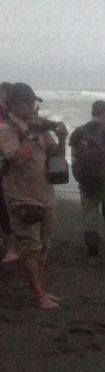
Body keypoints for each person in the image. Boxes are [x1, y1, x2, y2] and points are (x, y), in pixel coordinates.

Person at [0, 83, 68, 309]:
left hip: (45, 194)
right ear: (14, 104)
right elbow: (17, 159)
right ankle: (39, 296)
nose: (33, 107)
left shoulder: (37, 127)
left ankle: (41, 289)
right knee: (30, 246)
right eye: (29, 102)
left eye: (34, 102)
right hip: (21, 195)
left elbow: (56, 156)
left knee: (44, 246)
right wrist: (33, 133)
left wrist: (61, 138)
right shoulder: (6, 129)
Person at [69, 100, 105, 256]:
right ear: (104, 113)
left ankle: (92, 245)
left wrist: (78, 175)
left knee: (90, 213)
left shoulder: (78, 131)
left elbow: (74, 156)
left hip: (86, 180)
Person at [0, 81, 19, 262]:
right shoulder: (8, 114)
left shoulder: (7, 114)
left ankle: (12, 248)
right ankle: (11, 247)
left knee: (4, 208)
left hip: (6, 165)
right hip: (8, 164)